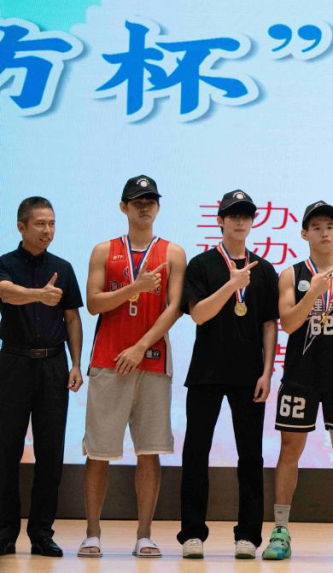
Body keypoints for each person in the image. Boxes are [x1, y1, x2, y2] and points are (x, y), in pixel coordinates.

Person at [80, 176, 186, 559]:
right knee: (98, 452)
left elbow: (175, 307)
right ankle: (92, 533)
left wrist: (141, 347)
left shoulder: (173, 252)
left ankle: (144, 535)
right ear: (123, 206)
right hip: (108, 361)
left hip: (152, 362)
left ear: (158, 207)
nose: (145, 206)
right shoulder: (103, 250)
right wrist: (133, 289)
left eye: (150, 200)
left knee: (149, 451)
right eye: (137, 201)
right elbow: (94, 303)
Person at [263, 201, 333, 562]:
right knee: (289, 452)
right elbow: (288, 323)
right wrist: (312, 292)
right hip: (300, 376)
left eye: (329, 226)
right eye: (316, 227)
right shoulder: (291, 275)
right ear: (304, 233)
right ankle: (280, 530)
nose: (324, 233)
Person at [178, 190, 278, 560]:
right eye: (233, 215)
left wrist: (267, 372)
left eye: (246, 215)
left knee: (251, 456)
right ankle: (192, 533)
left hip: (249, 374)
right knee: (195, 452)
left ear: (252, 222)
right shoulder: (201, 264)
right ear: (219, 220)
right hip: (206, 372)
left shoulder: (264, 269)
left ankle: (248, 536)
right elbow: (199, 314)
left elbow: (269, 324)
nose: (239, 221)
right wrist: (232, 286)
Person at [0, 197, 83, 557]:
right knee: (6, 449)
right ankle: (4, 532)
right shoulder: (5, 264)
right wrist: (39, 295)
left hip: (53, 365)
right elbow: (4, 292)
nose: (47, 230)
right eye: (40, 224)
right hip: (13, 363)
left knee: (50, 452)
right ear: (21, 227)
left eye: (52, 223)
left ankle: (41, 533)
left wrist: (75, 363)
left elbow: (72, 318)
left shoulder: (63, 267)